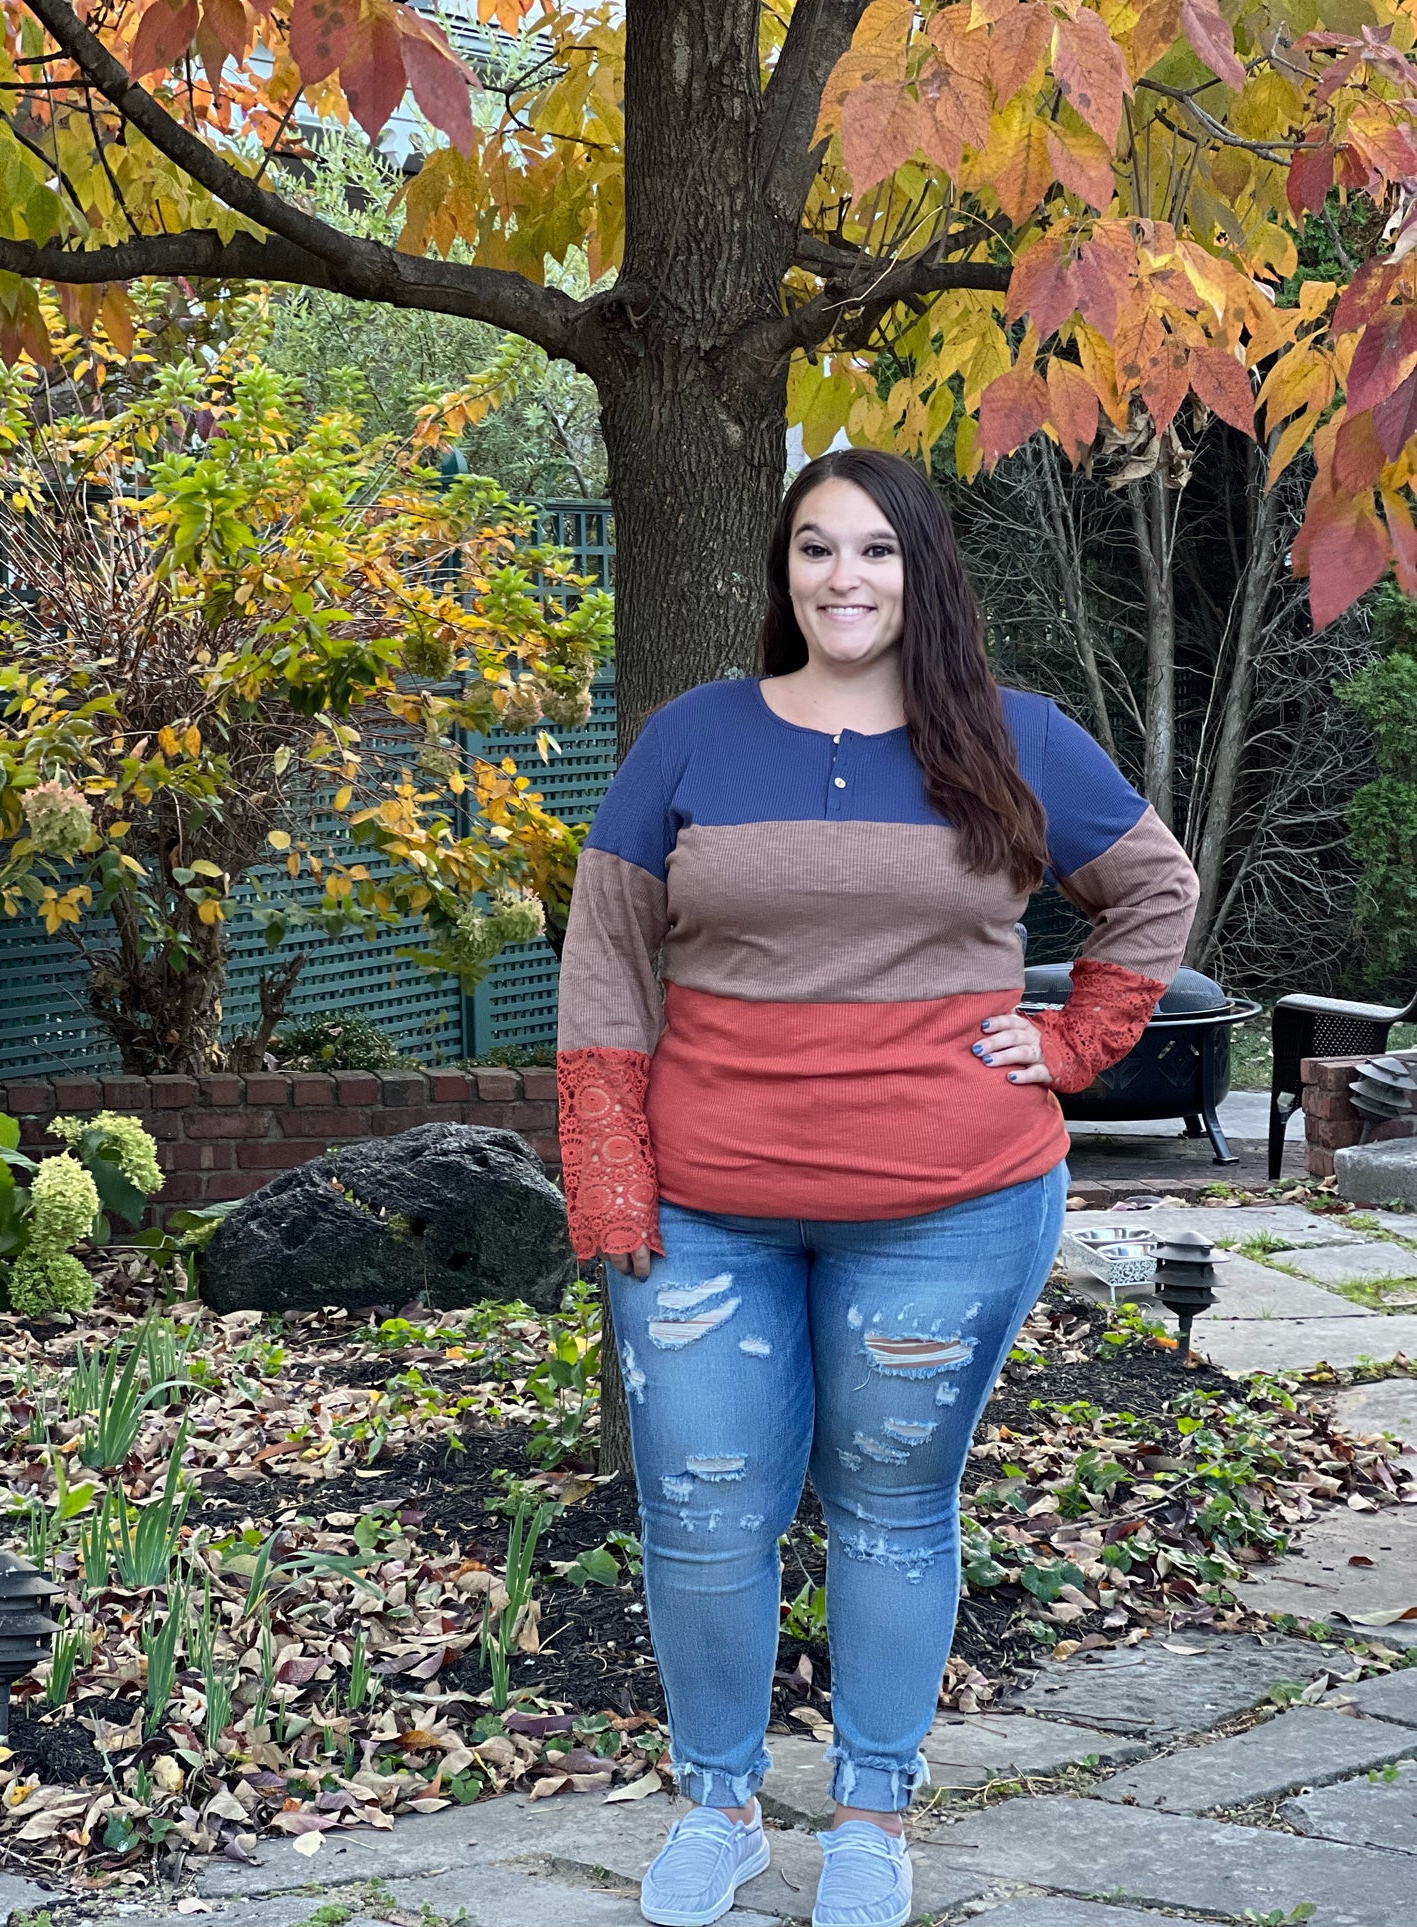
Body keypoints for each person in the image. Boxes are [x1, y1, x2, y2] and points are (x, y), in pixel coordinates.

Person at [555, 448, 1198, 1927]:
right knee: (703, 1511)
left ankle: (869, 1812)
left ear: (922, 572)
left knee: (894, 1506)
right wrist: (608, 1162)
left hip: (952, 1204)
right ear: (781, 576)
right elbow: (605, 949)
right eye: (813, 551)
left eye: (875, 552)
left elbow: (1153, 888)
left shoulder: (1013, 737)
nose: (844, 578)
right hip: (709, 1202)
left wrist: (1074, 1038)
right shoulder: (693, 738)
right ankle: (715, 1801)